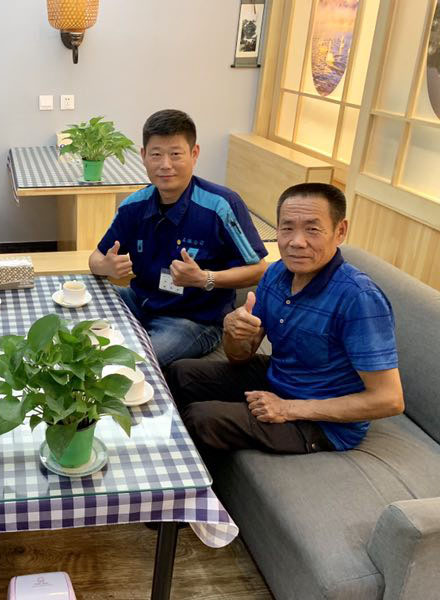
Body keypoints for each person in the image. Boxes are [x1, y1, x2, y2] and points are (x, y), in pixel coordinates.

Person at [167, 183, 404, 455]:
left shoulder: (359, 298)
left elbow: (390, 399)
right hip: (280, 377)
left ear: (340, 231)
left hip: (323, 423)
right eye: (287, 228)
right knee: (179, 372)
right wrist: (232, 333)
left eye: (312, 229)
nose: (297, 242)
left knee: (201, 418)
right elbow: (239, 357)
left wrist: (288, 408)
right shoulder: (276, 273)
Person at [89, 109, 268, 367]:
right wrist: (105, 266)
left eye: (175, 154)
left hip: (194, 320)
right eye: (156, 154)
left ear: (194, 154)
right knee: (78, 304)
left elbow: (259, 269)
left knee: (136, 361)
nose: (165, 164)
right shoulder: (134, 205)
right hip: (140, 302)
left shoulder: (221, 205)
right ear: (143, 156)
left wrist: (205, 278)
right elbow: (95, 258)